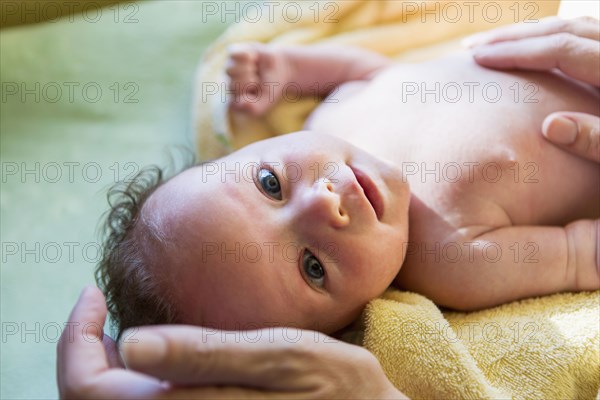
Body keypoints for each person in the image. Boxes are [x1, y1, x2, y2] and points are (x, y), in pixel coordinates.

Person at [58, 17, 599, 399]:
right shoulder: (454, 261)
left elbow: (371, 73)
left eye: (269, 183)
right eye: (313, 266)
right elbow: (582, 254)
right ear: (346, 324)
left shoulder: (328, 122)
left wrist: (290, 68)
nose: (322, 204)